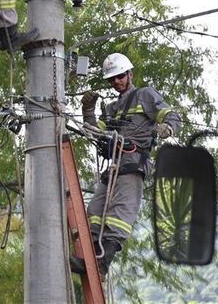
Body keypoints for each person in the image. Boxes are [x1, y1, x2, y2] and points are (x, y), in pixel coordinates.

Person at [71, 52, 182, 277]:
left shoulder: (145, 95)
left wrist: (167, 128)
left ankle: (101, 266)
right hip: (113, 167)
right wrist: (88, 111)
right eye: (112, 79)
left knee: (118, 215)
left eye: (120, 76)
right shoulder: (112, 109)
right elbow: (93, 132)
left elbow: (172, 116)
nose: (116, 82)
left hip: (133, 163)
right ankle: (90, 261)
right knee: (94, 212)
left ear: (130, 74)